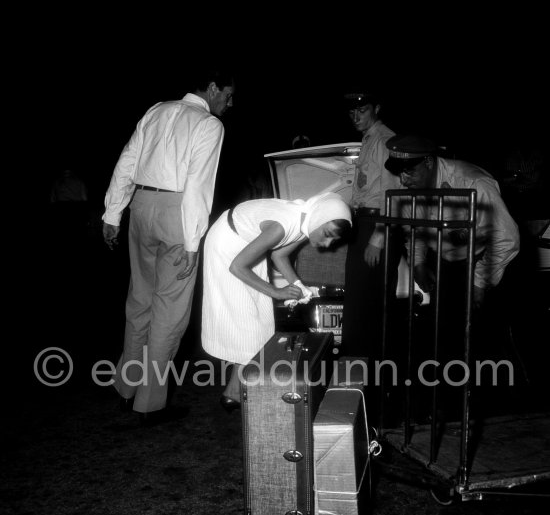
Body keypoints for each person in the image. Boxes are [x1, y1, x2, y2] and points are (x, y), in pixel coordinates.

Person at [102, 67, 235, 425]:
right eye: (227, 93)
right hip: (177, 213)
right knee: (169, 312)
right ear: (212, 87)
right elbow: (198, 185)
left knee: (139, 302)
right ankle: (150, 404)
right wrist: (194, 241)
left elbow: (127, 161)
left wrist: (113, 213)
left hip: (141, 208)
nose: (229, 102)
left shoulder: (157, 109)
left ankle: (125, 390)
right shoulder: (209, 125)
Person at [384, 135, 521, 421]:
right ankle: (447, 409)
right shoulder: (412, 187)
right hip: (447, 264)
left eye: (409, 171)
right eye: (400, 172)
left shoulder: (473, 183)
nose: (403, 179)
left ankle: (494, 413)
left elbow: (506, 239)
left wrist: (480, 283)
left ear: (430, 162)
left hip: (486, 263)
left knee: (483, 342)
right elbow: (414, 228)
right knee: (445, 338)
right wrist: (419, 263)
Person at [201, 192, 352, 411]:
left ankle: (234, 392)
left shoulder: (307, 220)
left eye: (333, 240)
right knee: (246, 322)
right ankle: (235, 393)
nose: (327, 243)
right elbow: (237, 266)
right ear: (320, 219)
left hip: (247, 245)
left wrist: (299, 286)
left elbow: (278, 256)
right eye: (327, 234)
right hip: (227, 245)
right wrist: (277, 292)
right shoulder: (282, 226)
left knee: (261, 319)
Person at [340, 90, 403, 360]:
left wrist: (378, 238)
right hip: (365, 222)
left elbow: (393, 194)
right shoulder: (369, 141)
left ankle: (371, 366)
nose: (355, 116)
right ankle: (357, 364)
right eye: (352, 112)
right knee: (358, 300)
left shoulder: (386, 140)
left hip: (378, 225)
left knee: (371, 303)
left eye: (362, 110)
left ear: (376, 108)